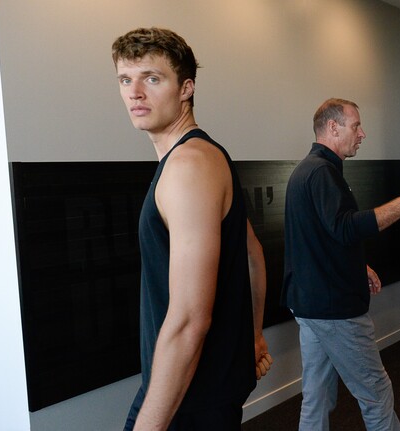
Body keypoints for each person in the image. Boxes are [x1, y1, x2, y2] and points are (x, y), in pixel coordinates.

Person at [112, 27, 271, 430]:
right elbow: (253, 254)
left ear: (186, 88)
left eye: (152, 78)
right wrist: (252, 336)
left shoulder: (187, 167)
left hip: (190, 394)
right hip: (198, 386)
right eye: (125, 80)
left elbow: (189, 319)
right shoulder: (202, 158)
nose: (135, 93)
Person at [282, 98, 400, 431]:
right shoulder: (321, 172)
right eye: (356, 126)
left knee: (317, 396)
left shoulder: (307, 171)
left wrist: (358, 266)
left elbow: (321, 237)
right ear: (333, 127)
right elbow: (346, 227)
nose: (362, 133)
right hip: (335, 310)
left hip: (310, 305)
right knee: (375, 392)